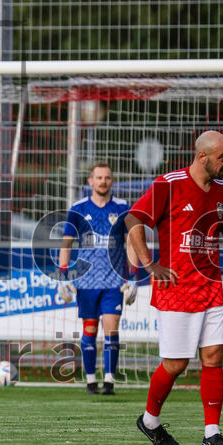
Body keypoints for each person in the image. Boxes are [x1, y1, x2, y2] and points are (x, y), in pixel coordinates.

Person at [127, 130, 223, 445]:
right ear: (202, 156)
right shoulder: (169, 183)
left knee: (214, 356)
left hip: (211, 285)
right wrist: (150, 264)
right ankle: (149, 421)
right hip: (176, 288)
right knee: (177, 364)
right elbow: (134, 219)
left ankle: (212, 433)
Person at [58, 163, 139, 395]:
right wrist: (63, 276)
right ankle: (91, 381)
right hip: (86, 282)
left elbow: (132, 242)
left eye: (107, 178)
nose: (103, 181)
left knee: (111, 330)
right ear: (90, 181)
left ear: (112, 181)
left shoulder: (122, 208)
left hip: (114, 282)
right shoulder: (78, 208)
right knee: (90, 331)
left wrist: (133, 276)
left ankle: (110, 382)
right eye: (99, 178)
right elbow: (66, 243)